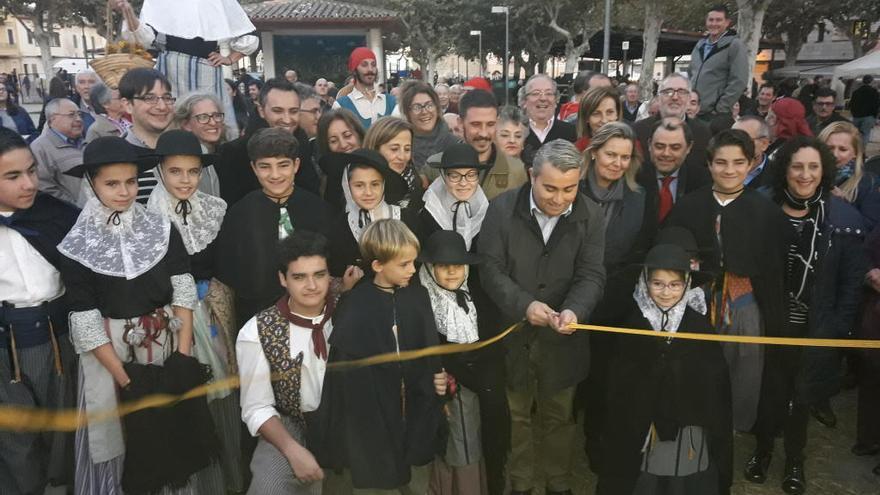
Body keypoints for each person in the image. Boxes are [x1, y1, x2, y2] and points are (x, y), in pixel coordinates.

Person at [58, 136, 224, 493]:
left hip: (167, 344)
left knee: (174, 430)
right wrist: (127, 380)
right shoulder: (77, 244)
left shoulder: (161, 228)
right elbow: (85, 319)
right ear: (92, 184)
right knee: (125, 438)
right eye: (112, 183)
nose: (124, 191)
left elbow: (182, 288)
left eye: (131, 181)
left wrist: (181, 356)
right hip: (112, 357)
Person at [478, 139, 605, 495]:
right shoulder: (501, 209)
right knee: (516, 415)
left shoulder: (591, 215)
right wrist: (524, 305)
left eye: (570, 189)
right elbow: (490, 269)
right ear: (532, 176)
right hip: (512, 335)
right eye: (550, 187)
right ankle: (520, 482)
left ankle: (557, 482)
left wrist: (575, 310)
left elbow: (592, 274)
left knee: (559, 417)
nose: (559, 198)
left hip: (563, 339)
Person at [745, 136, 867, 495]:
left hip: (814, 324)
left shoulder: (842, 217)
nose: (805, 174)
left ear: (824, 170)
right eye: (798, 166)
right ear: (785, 169)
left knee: (800, 396)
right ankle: (763, 449)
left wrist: (838, 329)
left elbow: (850, 282)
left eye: (813, 166)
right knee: (768, 390)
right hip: (768, 321)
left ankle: (795, 459)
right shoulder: (763, 208)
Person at [665, 129, 791, 433]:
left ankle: (732, 427)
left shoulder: (766, 213)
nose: (729, 170)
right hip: (697, 302)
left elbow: (775, 268)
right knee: (694, 366)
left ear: (750, 164)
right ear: (709, 165)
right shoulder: (689, 206)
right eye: (721, 162)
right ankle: (692, 422)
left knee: (743, 367)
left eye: (738, 162)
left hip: (744, 304)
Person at [144, 129, 244, 492]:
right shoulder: (146, 217)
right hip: (171, 319)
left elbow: (225, 261)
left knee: (223, 387)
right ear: (160, 171)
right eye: (175, 171)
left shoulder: (215, 208)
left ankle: (228, 477)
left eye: (193, 171)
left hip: (216, 312)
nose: (185, 180)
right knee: (186, 390)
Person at [316, 218, 446, 493]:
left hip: (415, 411)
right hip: (373, 420)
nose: (413, 270)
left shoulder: (417, 296)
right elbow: (345, 374)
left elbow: (430, 350)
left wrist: (439, 379)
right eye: (404, 264)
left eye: (413, 262)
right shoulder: (356, 303)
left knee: (417, 479)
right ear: (377, 265)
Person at [597, 243, 732, 495]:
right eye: (657, 283)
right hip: (640, 425)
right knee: (644, 478)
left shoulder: (698, 326)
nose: (666, 292)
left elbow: (714, 383)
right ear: (645, 281)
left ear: (687, 284)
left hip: (687, 425)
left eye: (675, 285)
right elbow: (619, 380)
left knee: (680, 478)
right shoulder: (631, 324)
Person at [419, 143, 509, 495]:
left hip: (474, 299)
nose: (462, 182)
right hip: (439, 298)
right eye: (454, 175)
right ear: (443, 176)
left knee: (482, 426)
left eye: (470, 175)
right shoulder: (426, 211)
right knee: (452, 432)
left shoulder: (487, 211)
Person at [0, 128, 79, 495]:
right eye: (13, 176)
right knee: (17, 440)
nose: (30, 183)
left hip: (59, 336)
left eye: (32, 170)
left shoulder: (56, 215)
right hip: (6, 347)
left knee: (66, 429)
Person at [236, 230, 335, 494]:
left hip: (346, 423)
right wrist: (292, 450)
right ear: (283, 279)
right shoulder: (258, 331)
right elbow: (256, 407)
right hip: (291, 424)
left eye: (319, 274)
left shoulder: (351, 312)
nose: (312, 286)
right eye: (299, 277)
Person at [215, 128, 331, 328]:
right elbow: (230, 272)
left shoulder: (317, 209)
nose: (275, 175)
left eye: (283, 165)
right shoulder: (240, 214)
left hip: (315, 316)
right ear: (253, 168)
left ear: (296, 165)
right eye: (265, 167)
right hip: (257, 318)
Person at [114, 0, 259, 137]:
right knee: (173, 123)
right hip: (171, 69)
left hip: (206, 71)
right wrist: (128, 11)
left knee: (210, 121)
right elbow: (143, 38)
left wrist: (229, 59)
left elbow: (247, 34)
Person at [419, 230, 486, 495]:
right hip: (441, 388)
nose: (451, 273)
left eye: (457, 266)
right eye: (443, 266)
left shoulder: (472, 297)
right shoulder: (425, 302)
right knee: (450, 441)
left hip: (471, 388)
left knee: (470, 437)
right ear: (429, 267)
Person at [215, 78, 321, 205]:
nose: (287, 120)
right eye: (278, 111)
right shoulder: (234, 153)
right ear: (261, 110)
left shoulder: (303, 146)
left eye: (293, 111)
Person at [326, 148, 414, 280]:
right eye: (359, 185)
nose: (368, 192)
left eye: (375, 184)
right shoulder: (338, 228)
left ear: (384, 185)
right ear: (347, 186)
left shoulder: (407, 220)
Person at [428, 89, 528, 200]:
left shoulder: (516, 170)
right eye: (476, 124)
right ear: (460, 123)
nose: (483, 133)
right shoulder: (435, 167)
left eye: (490, 124)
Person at [638, 118, 712, 227]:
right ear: (649, 145)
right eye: (659, 146)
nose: (666, 153)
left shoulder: (703, 182)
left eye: (675, 148)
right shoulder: (634, 177)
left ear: (688, 147)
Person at [633, 73, 713, 173]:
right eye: (668, 92)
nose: (675, 97)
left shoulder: (703, 133)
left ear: (689, 98)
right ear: (658, 97)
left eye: (682, 92)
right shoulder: (638, 130)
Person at [118, 68, 175, 202]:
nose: (162, 106)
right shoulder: (112, 157)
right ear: (127, 105)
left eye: (167, 98)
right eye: (150, 98)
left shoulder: (187, 150)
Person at [688, 4, 748, 119]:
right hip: (693, 111)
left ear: (727, 22)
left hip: (715, 114)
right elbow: (691, 73)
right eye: (711, 20)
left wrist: (721, 108)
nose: (714, 24)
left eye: (718, 20)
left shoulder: (735, 45)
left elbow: (739, 80)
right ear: (706, 22)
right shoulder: (699, 45)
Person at [818, 121, 880, 230]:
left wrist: (842, 205)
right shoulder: (809, 177)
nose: (834, 154)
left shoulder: (868, 182)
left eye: (843, 149)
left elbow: (870, 228)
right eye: (829, 148)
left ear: (855, 153)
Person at [856, 227, 880, 477]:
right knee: (872, 378)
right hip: (876, 318)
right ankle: (868, 438)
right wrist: (871, 274)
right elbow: (863, 257)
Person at [30, 98, 85, 205]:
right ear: (52, 119)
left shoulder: (86, 142)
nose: (78, 119)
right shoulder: (40, 148)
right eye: (71, 115)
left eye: (79, 114)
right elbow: (44, 187)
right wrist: (74, 207)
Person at [172, 92, 226, 196]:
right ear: (186, 124)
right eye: (203, 117)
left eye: (216, 115)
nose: (213, 122)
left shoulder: (228, 156)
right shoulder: (180, 162)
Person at [364, 116, 424, 208]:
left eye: (407, 149)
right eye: (394, 149)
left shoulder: (415, 182)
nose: (402, 157)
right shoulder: (357, 183)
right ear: (375, 149)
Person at [400, 80, 460, 172]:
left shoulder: (455, 144)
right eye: (417, 107)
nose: (424, 111)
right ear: (407, 112)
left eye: (429, 105)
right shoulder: (401, 146)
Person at [521, 74, 577, 168]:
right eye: (535, 93)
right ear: (525, 101)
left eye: (549, 93)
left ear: (556, 100)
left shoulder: (572, 133)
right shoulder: (514, 133)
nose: (543, 98)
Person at [332, 47, 396, 129]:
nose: (370, 69)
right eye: (364, 65)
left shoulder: (392, 102)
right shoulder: (340, 106)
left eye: (373, 65)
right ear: (354, 70)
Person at [316, 109, 367, 207]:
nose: (343, 145)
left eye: (347, 136)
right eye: (334, 141)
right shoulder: (330, 184)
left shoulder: (379, 166)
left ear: (359, 134)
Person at [574, 86, 621, 152]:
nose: (604, 120)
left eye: (610, 112)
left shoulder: (632, 146)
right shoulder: (577, 150)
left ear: (617, 114)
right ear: (586, 117)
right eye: (596, 114)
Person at [733, 115, 773, 189]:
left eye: (743, 139)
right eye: (731, 139)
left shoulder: (777, 176)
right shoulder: (716, 169)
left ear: (764, 143)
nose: (735, 145)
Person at [849, 75, 879, 145]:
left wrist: (853, 114)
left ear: (863, 81)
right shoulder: (874, 92)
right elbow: (876, 105)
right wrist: (875, 117)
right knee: (865, 134)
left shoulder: (856, 92)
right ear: (871, 82)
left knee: (856, 135)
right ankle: (862, 152)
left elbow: (851, 104)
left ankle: (855, 150)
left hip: (856, 116)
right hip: (868, 117)